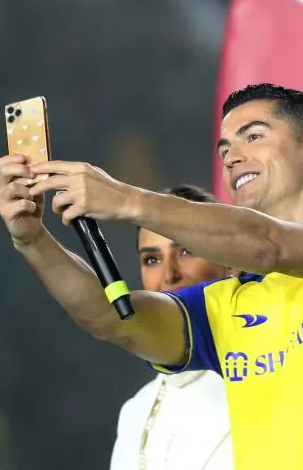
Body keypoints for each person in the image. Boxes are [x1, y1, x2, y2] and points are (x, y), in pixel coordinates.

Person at [0, 83, 303, 470]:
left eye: (253, 137)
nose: (233, 156)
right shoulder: (225, 305)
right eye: (225, 149)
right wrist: (32, 240)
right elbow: (111, 319)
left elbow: (269, 246)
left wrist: (127, 200)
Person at [109, 184, 233, 470]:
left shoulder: (264, 374)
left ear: (230, 262)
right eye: (152, 260)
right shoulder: (135, 411)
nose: (169, 275)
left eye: (186, 251)